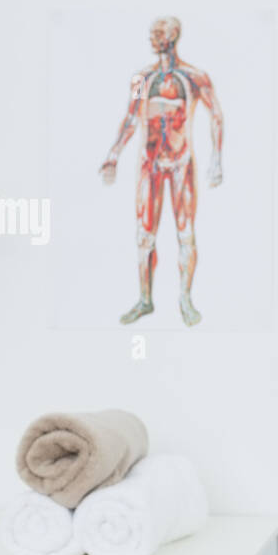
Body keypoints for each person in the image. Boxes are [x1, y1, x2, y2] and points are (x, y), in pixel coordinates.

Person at [99, 16, 224, 327]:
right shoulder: (142, 78)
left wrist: (217, 158)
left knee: (186, 233)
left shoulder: (194, 77)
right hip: (149, 163)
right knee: (145, 235)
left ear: (172, 37)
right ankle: (145, 300)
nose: (151, 38)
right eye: (151, 34)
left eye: (157, 34)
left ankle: (184, 298)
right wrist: (114, 153)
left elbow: (216, 115)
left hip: (181, 162)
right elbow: (130, 119)